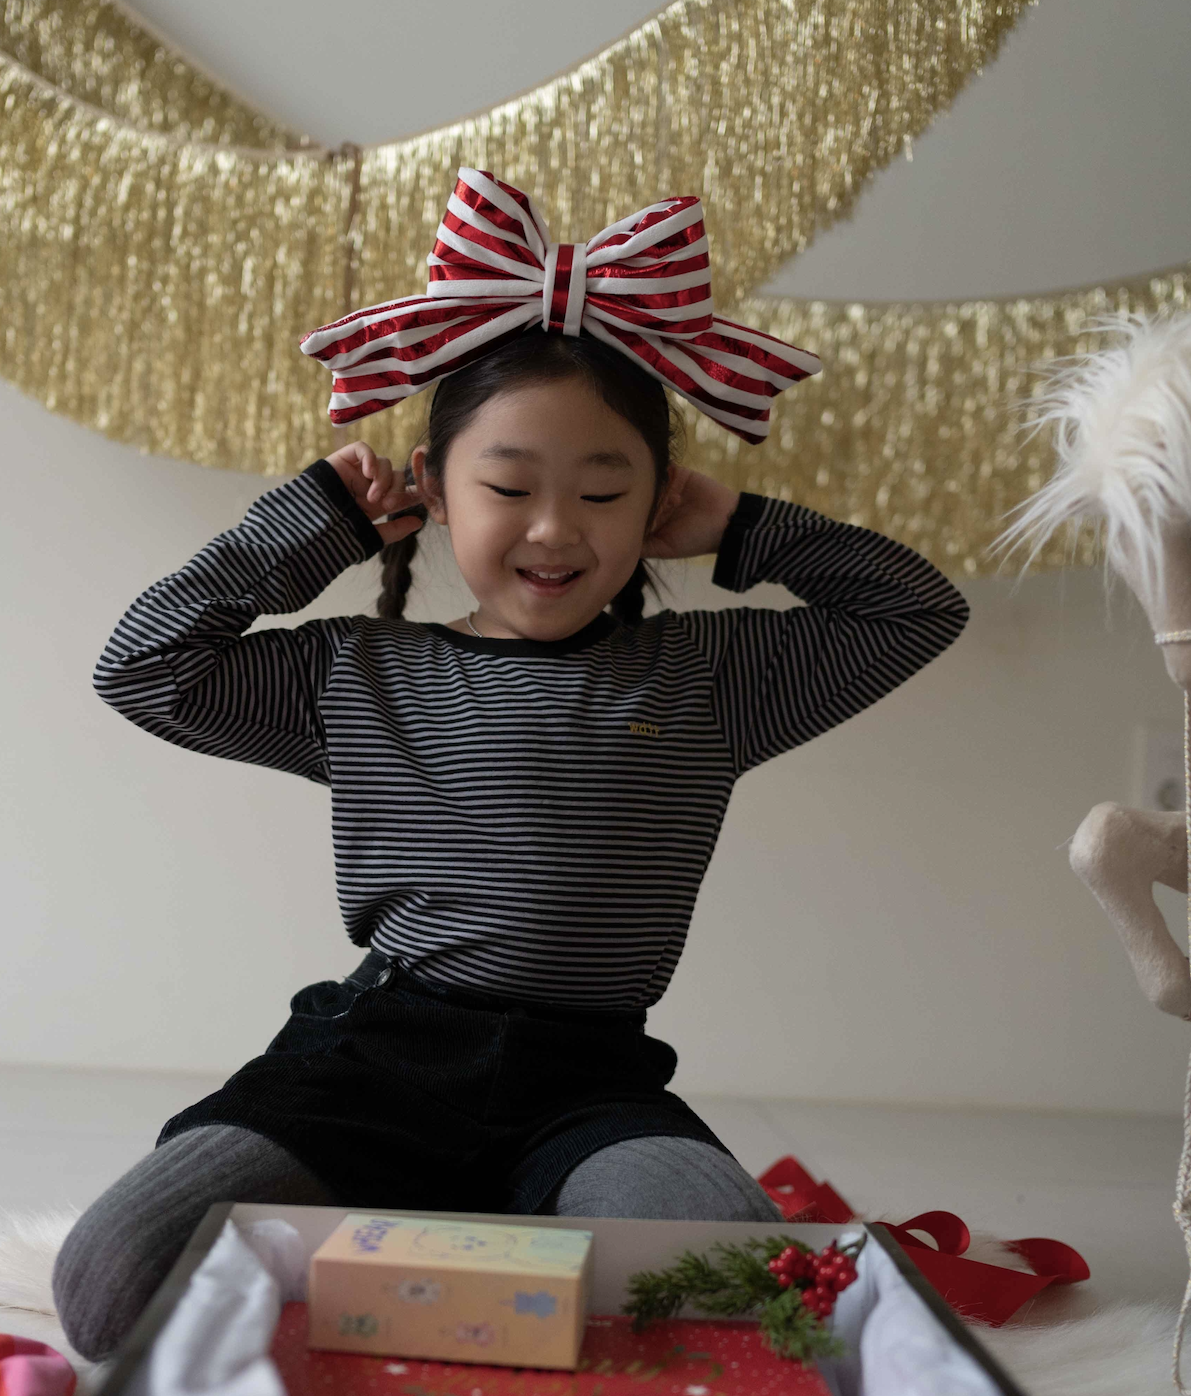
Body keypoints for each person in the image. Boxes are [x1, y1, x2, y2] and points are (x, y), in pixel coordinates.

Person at [53, 170, 970, 1360]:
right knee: (112, 1283)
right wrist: (312, 527)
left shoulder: (710, 677)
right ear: (436, 489)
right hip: (365, 1066)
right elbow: (144, 667)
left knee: (734, 1280)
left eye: (602, 490)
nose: (553, 527)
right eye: (507, 486)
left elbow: (916, 611)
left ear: (656, 503)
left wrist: (744, 527)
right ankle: (445, 1247)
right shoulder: (357, 673)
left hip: (588, 1084)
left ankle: (496, 1228)